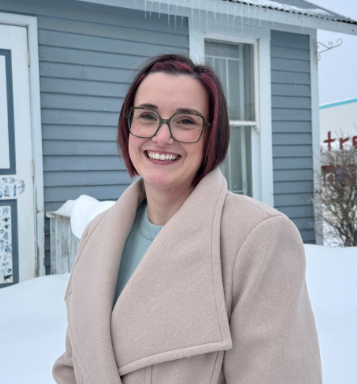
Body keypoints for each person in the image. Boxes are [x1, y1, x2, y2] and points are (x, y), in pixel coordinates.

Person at [52, 54, 322, 383]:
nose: (162, 137)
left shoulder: (258, 238)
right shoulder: (98, 233)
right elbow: (73, 367)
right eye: (147, 116)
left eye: (186, 121)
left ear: (212, 137)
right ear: (129, 126)